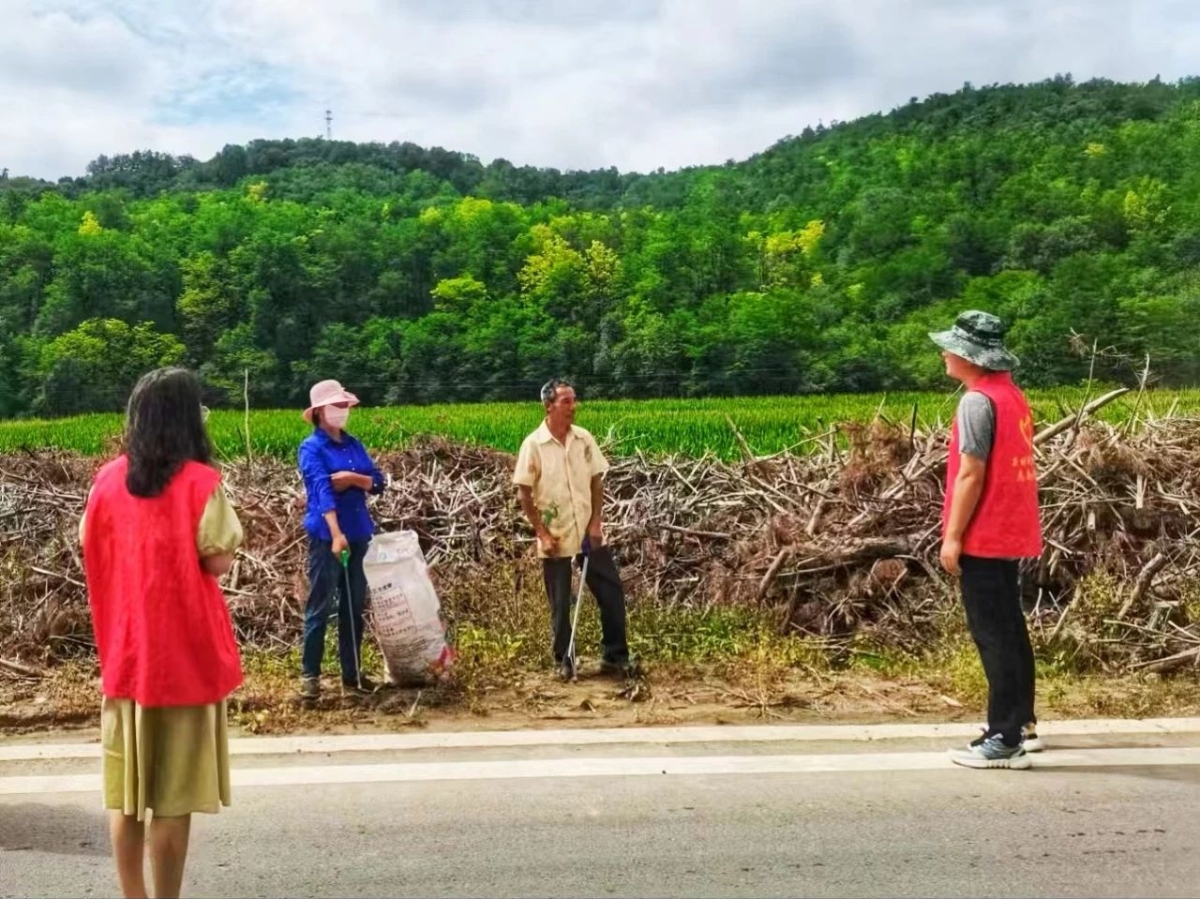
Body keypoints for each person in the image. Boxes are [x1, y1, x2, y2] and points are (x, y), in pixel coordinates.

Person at [80, 368, 243, 899]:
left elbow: (89, 542)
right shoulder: (200, 483)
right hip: (184, 661)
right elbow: (218, 559)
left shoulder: (106, 481)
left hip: (126, 657)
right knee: (172, 802)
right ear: (187, 418)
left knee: (127, 798)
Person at [930, 311, 1044, 770]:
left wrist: (952, 537)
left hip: (984, 530)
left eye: (951, 348)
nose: (944, 353)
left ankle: (1003, 738)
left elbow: (970, 473)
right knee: (1011, 629)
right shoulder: (1010, 394)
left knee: (993, 635)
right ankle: (1023, 724)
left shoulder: (976, 402)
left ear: (970, 357)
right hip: (1012, 527)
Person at [513, 378, 638, 680]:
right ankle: (564, 660)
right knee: (560, 603)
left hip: (587, 532)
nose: (573, 406)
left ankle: (615, 657)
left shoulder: (583, 439)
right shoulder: (533, 444)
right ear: (549, 406)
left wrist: (596, 523)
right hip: (554, 533)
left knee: (611, 591)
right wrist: (542, 534)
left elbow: (597, 482)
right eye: (566, 401)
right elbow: (524, 494)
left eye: (574, 399)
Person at [298, 379, 386, 698]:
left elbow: (378, 482)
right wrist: (336, 535)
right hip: (327, 537)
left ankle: (352, 674)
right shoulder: (312, 448)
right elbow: (321, 491)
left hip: (359, 531)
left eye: (345, 405)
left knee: (353, 606)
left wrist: (352, 479)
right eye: (337, 406)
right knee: (320, 606)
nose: (343, 411)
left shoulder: (354, 445)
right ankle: (310, 677)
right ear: (320, 412)